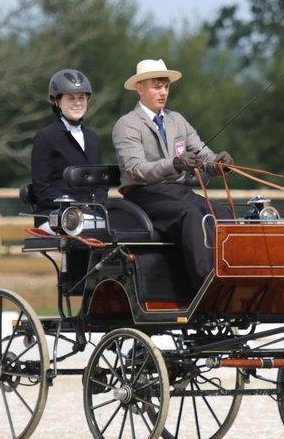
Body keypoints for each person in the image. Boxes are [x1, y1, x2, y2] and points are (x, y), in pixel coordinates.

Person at [112, 58, 233, 287]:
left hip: (177, 192)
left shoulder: (177, 120)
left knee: (222, 213)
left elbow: (201, 153)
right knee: (191, 214)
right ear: (140, 89)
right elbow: (136, 169)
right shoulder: (127, 125)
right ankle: (206, 281)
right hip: (145, 194)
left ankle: (231, 272)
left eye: (166, 87)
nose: (163, 92)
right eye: (157, 87)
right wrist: (174, 165)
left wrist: (218, 164)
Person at [30, 68, 102, 217]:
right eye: (71, 98)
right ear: (57, 101)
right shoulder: (45, 137)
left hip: (92, 213)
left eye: (81, 98)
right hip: (56, 214)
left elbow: (100, 183)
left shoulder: (93, 138)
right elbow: (42, 188)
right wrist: (75, 207)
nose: (78, 103)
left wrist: (98, 208)